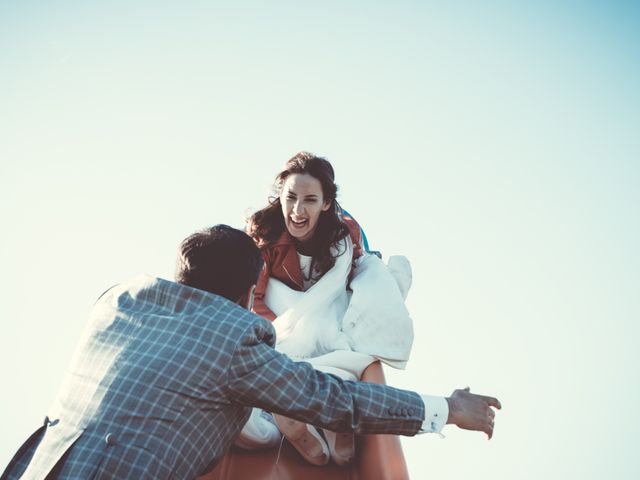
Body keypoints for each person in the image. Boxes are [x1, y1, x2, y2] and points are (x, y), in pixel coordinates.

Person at [1, 225, 501, 480]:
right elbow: (330, 400)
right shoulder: (233, 336)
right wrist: (447, 410)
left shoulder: (117, 300)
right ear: (245, 296)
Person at [243, 152, 417, 466]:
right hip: (281, 310)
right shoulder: (264, 235)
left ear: (326, 203)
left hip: (327, 310)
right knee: (313, 329)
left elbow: (351, 286)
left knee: (354, 310)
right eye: (290, 198)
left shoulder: (343, 236)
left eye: (309, 200)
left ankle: (325, 420)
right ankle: (320, 416)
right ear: (279, 196)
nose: (297, 210)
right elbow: (255, 297)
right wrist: (283, 332)